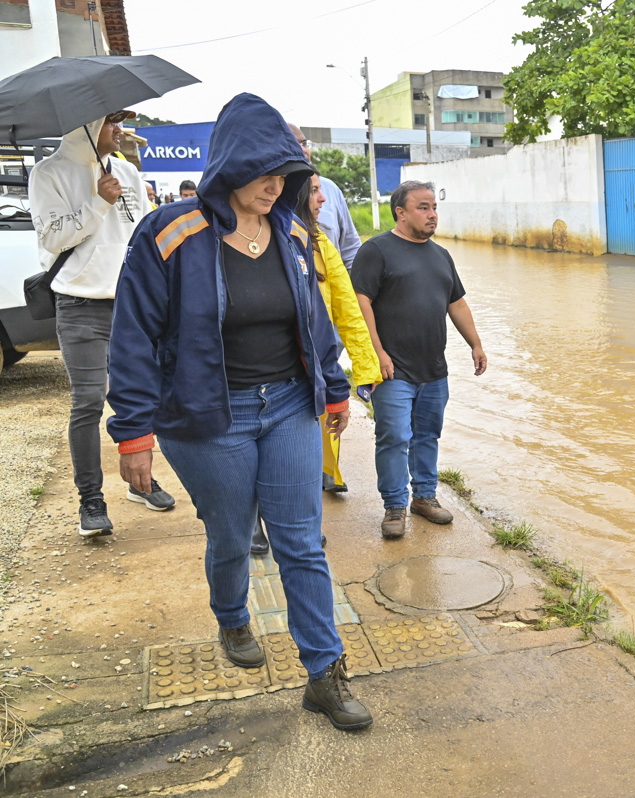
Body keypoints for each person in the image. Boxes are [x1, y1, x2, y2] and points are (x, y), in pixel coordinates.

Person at [106, 93, 371, 730]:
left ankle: (324, 672)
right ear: (228, 166)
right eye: (261, 172)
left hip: (285, 406)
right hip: (205, 416)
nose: (274, 185)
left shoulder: (292, 233)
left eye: (284, 174)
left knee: (301, 542)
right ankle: (231, 617)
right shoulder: (169, 233)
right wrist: (132, 431)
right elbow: (133, 334)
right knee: (230, 534)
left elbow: (314, 320)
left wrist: (334, 387)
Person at [28, 111, 176, 537]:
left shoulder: (126, 170)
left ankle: (140, 480)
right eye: (110, 122)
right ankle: (90, 498)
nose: (119, 130)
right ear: (85, 126)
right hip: (80, 304)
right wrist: (98, 202)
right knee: (89, 401)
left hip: (132, 305)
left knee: (145, 397)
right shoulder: (48, 173)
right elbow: (52, 237)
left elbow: (144, 235)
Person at [250, 174, 382, 555]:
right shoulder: (252, 241)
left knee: (302, 457)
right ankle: (254, 523)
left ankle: (301, 524)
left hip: (311, 373)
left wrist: (364, 368)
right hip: (263, 372)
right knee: (256, 456)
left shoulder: (318, 242)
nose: (324, 199)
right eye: (314, 190)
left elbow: (345, 309)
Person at [353, 180, 487, 539]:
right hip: (393, 369)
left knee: (428, 435)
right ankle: (394, 506)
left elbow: (455, 302)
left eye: (434, 208)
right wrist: (376, 352)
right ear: (401, 212)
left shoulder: (441, 255)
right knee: (394, 436)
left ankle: (424, 497)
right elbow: (359, 302)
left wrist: (475, 343)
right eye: (423, 208)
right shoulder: (376, 251)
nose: (432, 215)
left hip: (433, 369)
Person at [289, 125, 360, 269]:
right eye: (292, 143)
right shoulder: (267, 194)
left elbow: (350, 250)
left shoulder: (330, 189)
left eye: (303, 143)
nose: (303, 149)